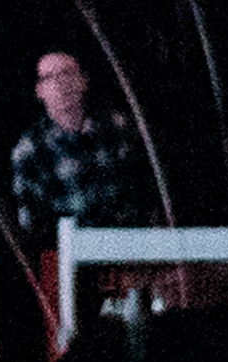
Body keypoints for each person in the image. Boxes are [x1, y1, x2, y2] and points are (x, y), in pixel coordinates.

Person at [11, 52, 153, 247]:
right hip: (69, 253)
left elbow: (142, 189)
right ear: (39, 90)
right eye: (50, 78)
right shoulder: (30, 149)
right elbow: (31, 221)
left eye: (67, 73)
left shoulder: (117, 128)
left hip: (127, 246)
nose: (61, 84)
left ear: (83, 81)